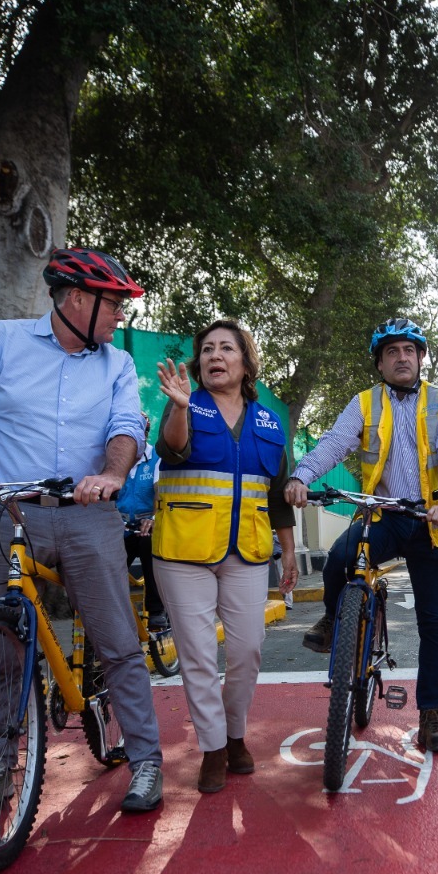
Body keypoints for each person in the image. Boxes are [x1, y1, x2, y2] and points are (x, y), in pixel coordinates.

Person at [0, 247, 166, 814]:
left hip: (87, 513)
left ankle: (146, 760)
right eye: (113, 304)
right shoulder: (0, 341)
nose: (120, 315)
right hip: (9, 511)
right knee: (0, 647)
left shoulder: (116, 363)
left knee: (117, 640)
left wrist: (112, 475)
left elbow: (126, 426)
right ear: (76, 299)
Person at [284, 317, 438, 754]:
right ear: (380, 364)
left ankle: (430, 714)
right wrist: (301, 475)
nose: (401, 357)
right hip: (382, 514)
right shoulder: (365, 403)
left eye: (409, 350)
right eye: (391, 352)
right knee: (338, 558)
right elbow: (334, 443)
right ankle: (335, 619)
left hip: (431, 521)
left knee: (433, 624)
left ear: (421, 358)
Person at [152, 319, 298, 793]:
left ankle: (237, 734)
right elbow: (172, 452)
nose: (216, 355)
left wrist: (290, 551)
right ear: (199, 363)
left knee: (248, 650)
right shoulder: (184, 405)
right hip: (183, 550)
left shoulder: (269, 422)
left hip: (248, 551)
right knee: (196, 654)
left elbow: (277, 494)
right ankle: (214, 749)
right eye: (208, 349)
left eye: (226, 348)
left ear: (245, 361)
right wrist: (178, 408)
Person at [116, 443, 169, 633]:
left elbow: (159, 490)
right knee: (106, 562)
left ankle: (156, 610)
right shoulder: (114, 456)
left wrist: (154, 518)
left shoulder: (157, 456)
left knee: (149, 543)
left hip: (148, 524)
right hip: (120, 527)